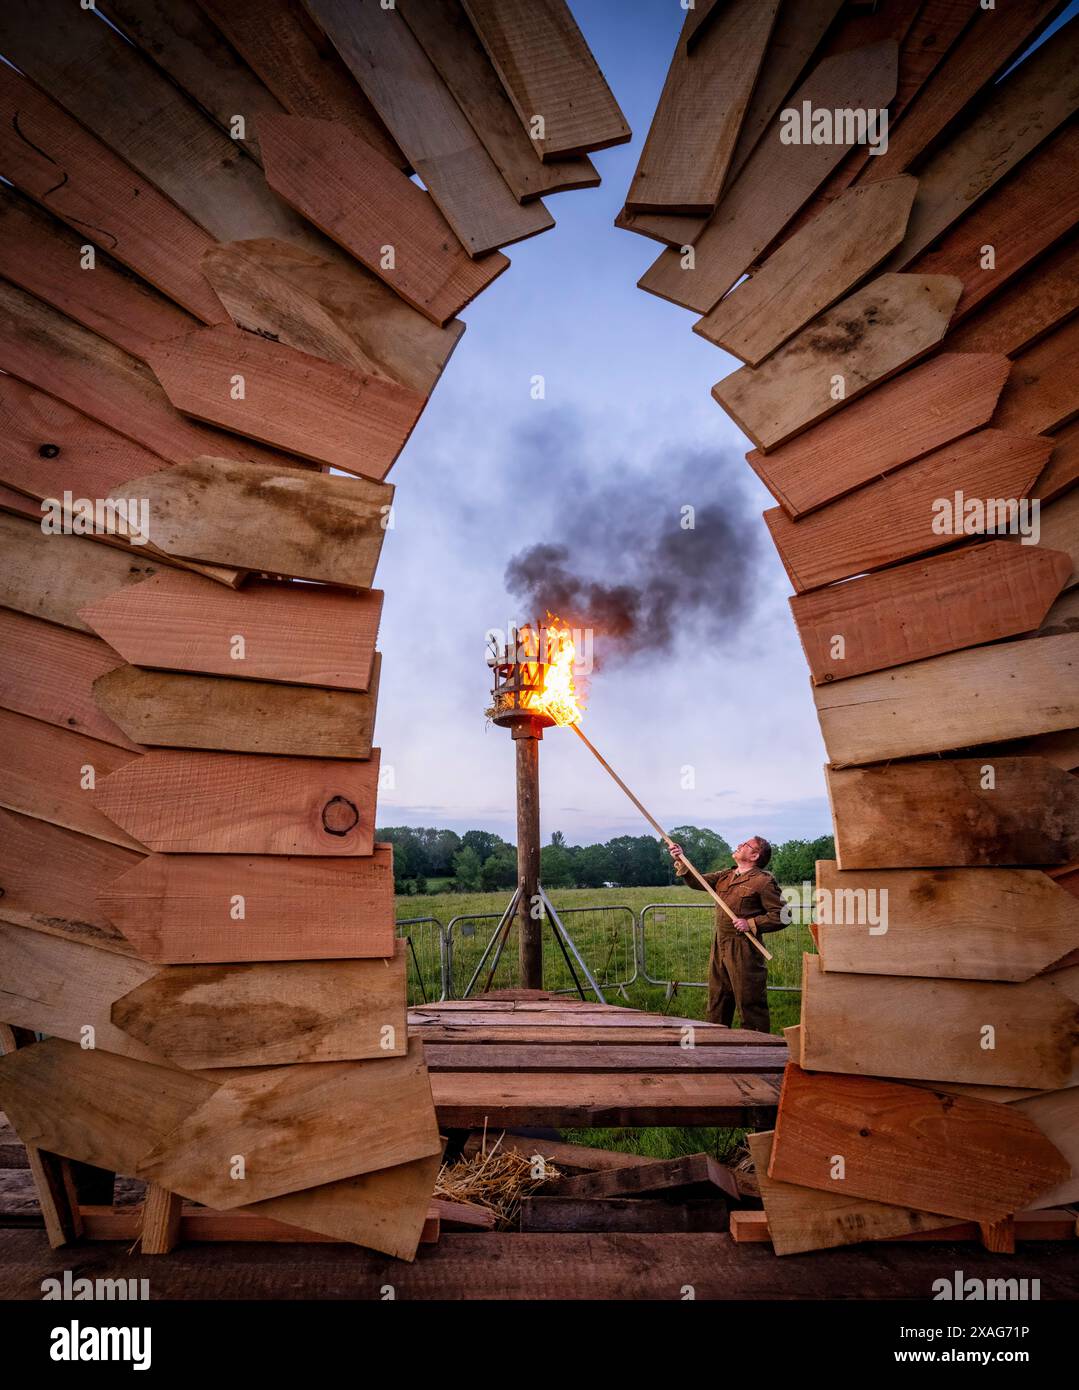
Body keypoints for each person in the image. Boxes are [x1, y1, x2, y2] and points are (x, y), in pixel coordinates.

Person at [667, 836, 787, 1032]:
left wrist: (751, 924)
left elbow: (783, 916)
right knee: (718, 1000)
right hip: (720, 945)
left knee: (749, 1002)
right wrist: (682, 859)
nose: (739, 845)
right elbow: (699, 881)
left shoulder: (762, 881)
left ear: (755, 855)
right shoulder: (726, 875)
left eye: (746, 845)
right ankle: (716, 1046)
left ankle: (757, 1050)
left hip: (744, 950)